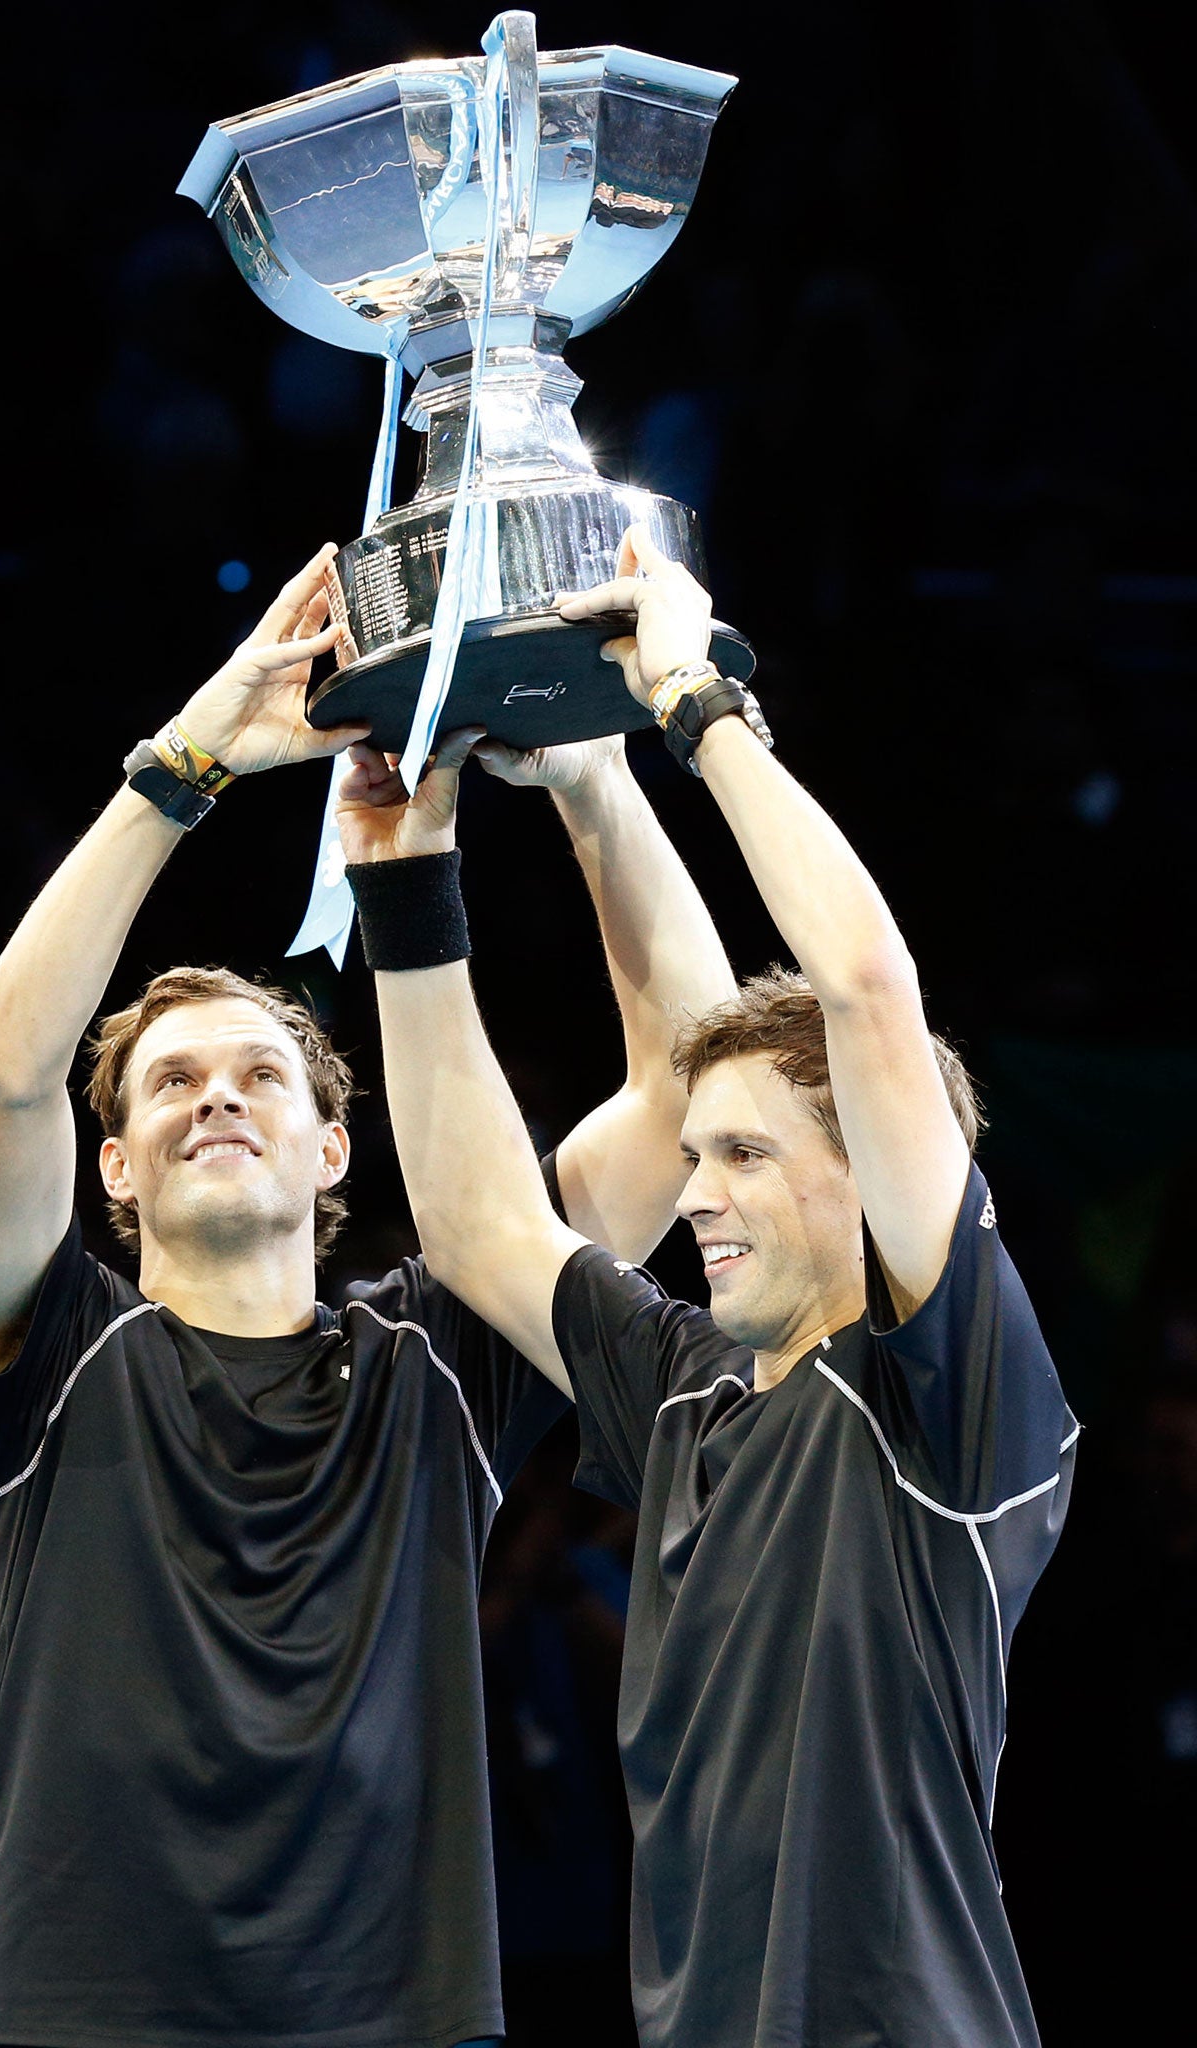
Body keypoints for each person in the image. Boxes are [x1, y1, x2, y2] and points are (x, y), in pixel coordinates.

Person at [0, 543, 742, 2048]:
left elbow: (692, 1085)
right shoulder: (50, 1356)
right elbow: (2, 1073)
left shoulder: (446, 1354)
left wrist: (590, 780)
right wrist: (184, 766)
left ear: (333, 1152)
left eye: (258, 1073)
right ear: (110, 1165)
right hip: (73, 2019)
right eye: (169, 1083)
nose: (215, 1099)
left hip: (396, 2020)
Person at [338, 529, 1079, 2048]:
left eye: (743, 1154)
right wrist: (444, 860)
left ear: (874, 1170)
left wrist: (696, 707)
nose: (691, 1196)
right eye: (696, 1152)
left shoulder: (942, 1392)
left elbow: (868, 992)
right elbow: (482, 1230)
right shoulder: (689, 1390)